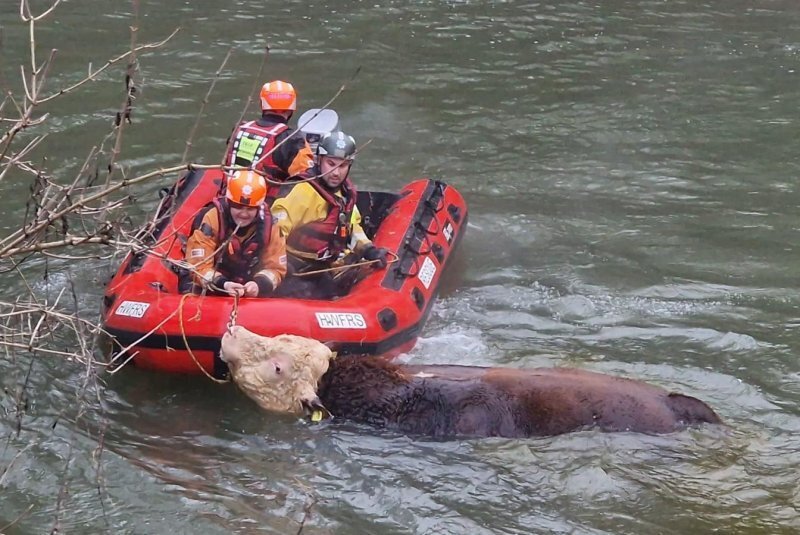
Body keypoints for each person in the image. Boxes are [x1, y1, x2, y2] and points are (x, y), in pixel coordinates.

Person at [271, 131, 390, 299]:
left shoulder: (344, 193)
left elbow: (352, 227)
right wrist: (279, 263)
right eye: (331, 164)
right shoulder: (301, 190)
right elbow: (274, 232)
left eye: (342, 166)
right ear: (319, 160)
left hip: (320, 270)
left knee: (334, 293)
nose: (336, 173)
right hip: (292, 271)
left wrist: (369, 250)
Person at [185, 170, 287, 297]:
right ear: (229, 203)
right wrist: (223, 284)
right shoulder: (213, 219)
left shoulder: (271, 227)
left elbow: (276, 269)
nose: (244, 214)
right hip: (216, 286)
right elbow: (198, 267)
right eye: (238, 207)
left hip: (251, 288)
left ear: (258, 207)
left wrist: (258, 285)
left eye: (250, 209)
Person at [223, 80, 313, 201]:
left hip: (231, 198)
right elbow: (307, 180)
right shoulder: (291, 140)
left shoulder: (240, 129)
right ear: (291, 108)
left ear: (262, 104)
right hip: (263, 207)